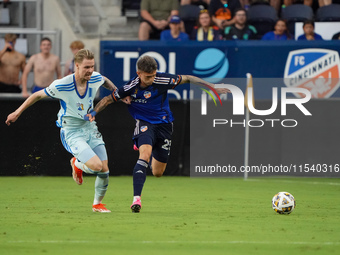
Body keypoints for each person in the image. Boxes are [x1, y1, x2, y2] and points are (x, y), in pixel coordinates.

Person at [84, 55, 229, 213]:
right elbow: (107, 99)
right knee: (144, 155)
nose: (152, 79)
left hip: (165, 125)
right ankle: (136, 199)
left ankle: (147, 145)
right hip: (144, 123)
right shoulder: (131, 87)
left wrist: (212, 87)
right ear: (139, 73)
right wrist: (93, 112)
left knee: (158, 172)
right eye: (148, 77)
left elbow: (188, 78)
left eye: (154, 75)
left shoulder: (162, 80)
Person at [5, 49, 121, 213]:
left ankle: (97, 204)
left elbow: (105, 80)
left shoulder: (94, 77)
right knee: (96, 166)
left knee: (105, 169)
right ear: (77, 65)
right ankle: (77, 164)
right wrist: (17, 112)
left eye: (92, 66)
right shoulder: (62, 84)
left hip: (89, 127)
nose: (90, 70)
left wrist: (117, 91)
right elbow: (37, 95)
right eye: (86, 67)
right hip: (71, 131)